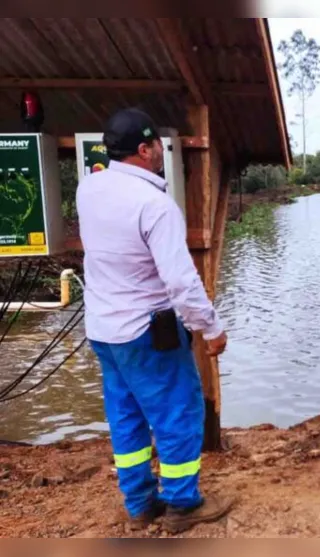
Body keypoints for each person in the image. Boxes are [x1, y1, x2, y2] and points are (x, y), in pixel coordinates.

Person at [76, 108, 233, 533]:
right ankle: (182, 504)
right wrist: (212, 329)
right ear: (144, 150)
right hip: (148, 332)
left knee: (126, 416)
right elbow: (181, 282)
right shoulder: (155, 204)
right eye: (157, 147)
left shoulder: (88, 189)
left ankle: (139, 504)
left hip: (104, 331)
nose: (161, 153)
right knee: (177, 411)